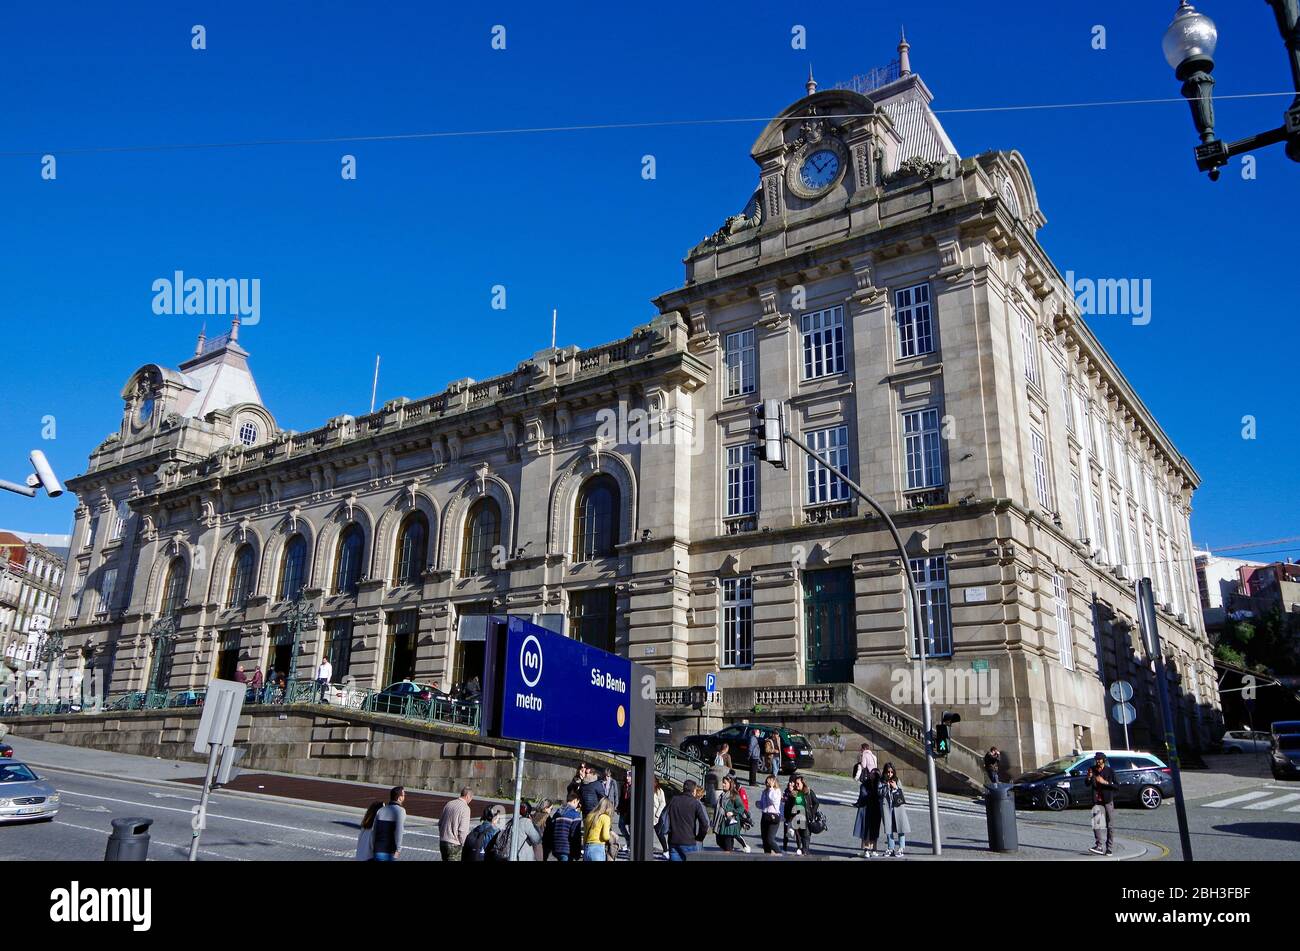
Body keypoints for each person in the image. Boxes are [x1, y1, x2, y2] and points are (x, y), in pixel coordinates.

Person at [665, 779, 710, 861]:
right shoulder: (695, 803)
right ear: (694, 790)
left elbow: (664, 816)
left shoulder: (673, 800)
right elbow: (705, 824)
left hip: (673, 840)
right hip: (689, 841)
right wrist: (699, 838)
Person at [1085, 752, 1117, 856]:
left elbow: (1117, 786)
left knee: (1110, 825)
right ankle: (1099, 846)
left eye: (1099, 759)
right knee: (1097, 824)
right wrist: (1089, 777)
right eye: (1096, 759)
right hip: (1097, 801)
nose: (1097, 761)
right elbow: (1087, 784)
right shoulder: (1092, 769)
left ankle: (1109, 848)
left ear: (1104, 760)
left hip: (1107, 801)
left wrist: (1105, 782)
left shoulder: (1110, 771)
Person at [878, 763, 910, 857]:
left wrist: (895, 787)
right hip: (887, 808)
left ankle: (901, 848)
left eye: (892, 772)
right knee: (889, 828)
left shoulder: (897, 780)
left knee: (900, 828)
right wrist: (886, 787)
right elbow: (879, 792)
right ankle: (890, 848)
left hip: (897, 807)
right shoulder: (881, 781)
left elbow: (902, 794)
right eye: (888, 772)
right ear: (885, 772)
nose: (890, 774)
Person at [783, 774, 819, 855]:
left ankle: (805, 852)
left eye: (798, 783)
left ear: (803, 784)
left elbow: (816, 803)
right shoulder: (794, 794)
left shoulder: (809, 792)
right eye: (795, 783)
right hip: (797, 820)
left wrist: (812, 813)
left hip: (806, 820)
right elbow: (789, 807)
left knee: (806, 841)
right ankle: (802, 851)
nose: (796, 785)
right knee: (799, 840)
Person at [548, 788, 584, 861]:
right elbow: (575, 835)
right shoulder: (575, 815)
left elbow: (551, 828)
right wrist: (577, 852)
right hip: (567, 849)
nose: (577, 805)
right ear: (575, 800)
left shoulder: (557, 812)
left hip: (556, 848)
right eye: (577, 803)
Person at [438, 786, 474, 862]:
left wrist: (443, 836)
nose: (471, 800)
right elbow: (462, 830)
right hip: (454, 844)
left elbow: (440, 823)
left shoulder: (449, 803)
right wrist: (464, 845)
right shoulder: (465, 808)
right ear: (467, 796)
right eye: (471, 798)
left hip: (443, 842)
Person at [853, 765, 882, 857]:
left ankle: (874, 849)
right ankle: (866, 849)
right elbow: (864, 795)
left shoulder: (879, 784)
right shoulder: (865, 784)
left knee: (875, 830)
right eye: (872, 774)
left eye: (875, 774)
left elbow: (881, 795)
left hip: (876, 810)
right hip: (866, 810)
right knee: (866, 830)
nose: (873, 776)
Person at [372, 786, 406, 861]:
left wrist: (373, 847)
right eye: (403, 795)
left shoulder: (381, 810)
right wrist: (398, 849)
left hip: (377, 850)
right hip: (389, 851)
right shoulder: (400, 811)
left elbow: (374, 831)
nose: (404, 797)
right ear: (399, 797)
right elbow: (399, 831)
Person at [714, 775, 746, 852]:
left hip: (729, 824)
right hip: (721, 822)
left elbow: (741, 807)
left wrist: (732, 812)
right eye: (722, 783)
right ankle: (730, 852)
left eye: (725, 783)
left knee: (727, 845)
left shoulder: (734, 795)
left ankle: (729, 854)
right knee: (719, 841)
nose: (723, 785)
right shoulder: (722, 795)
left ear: (730, 784)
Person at [583, 797, 615, 861]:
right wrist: (611, 836)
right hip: (597, 849)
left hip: (587, 849)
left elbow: (585, 835)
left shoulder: (590, 816)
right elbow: (605, 836)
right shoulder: (605, 818)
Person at [759, 774, 783, 854]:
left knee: (770, 839)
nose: (767, 783)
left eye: (769, 782)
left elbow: (773, 799)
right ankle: (767, 855)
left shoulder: (777, 791)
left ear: (774, 782)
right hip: (765, 816)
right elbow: (763, 804)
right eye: (766, 782)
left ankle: (780, 853)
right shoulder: (765, 791)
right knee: (764, 839)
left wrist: (771, 788)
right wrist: (759, 804)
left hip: (773, 817)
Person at [652, 778, 669, 855]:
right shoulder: (647, 789)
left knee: (659, 834)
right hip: (648, 815)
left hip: (656, 816)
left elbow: (663, 803)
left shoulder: (659, 791)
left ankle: (665, 850)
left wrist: (657, 814)